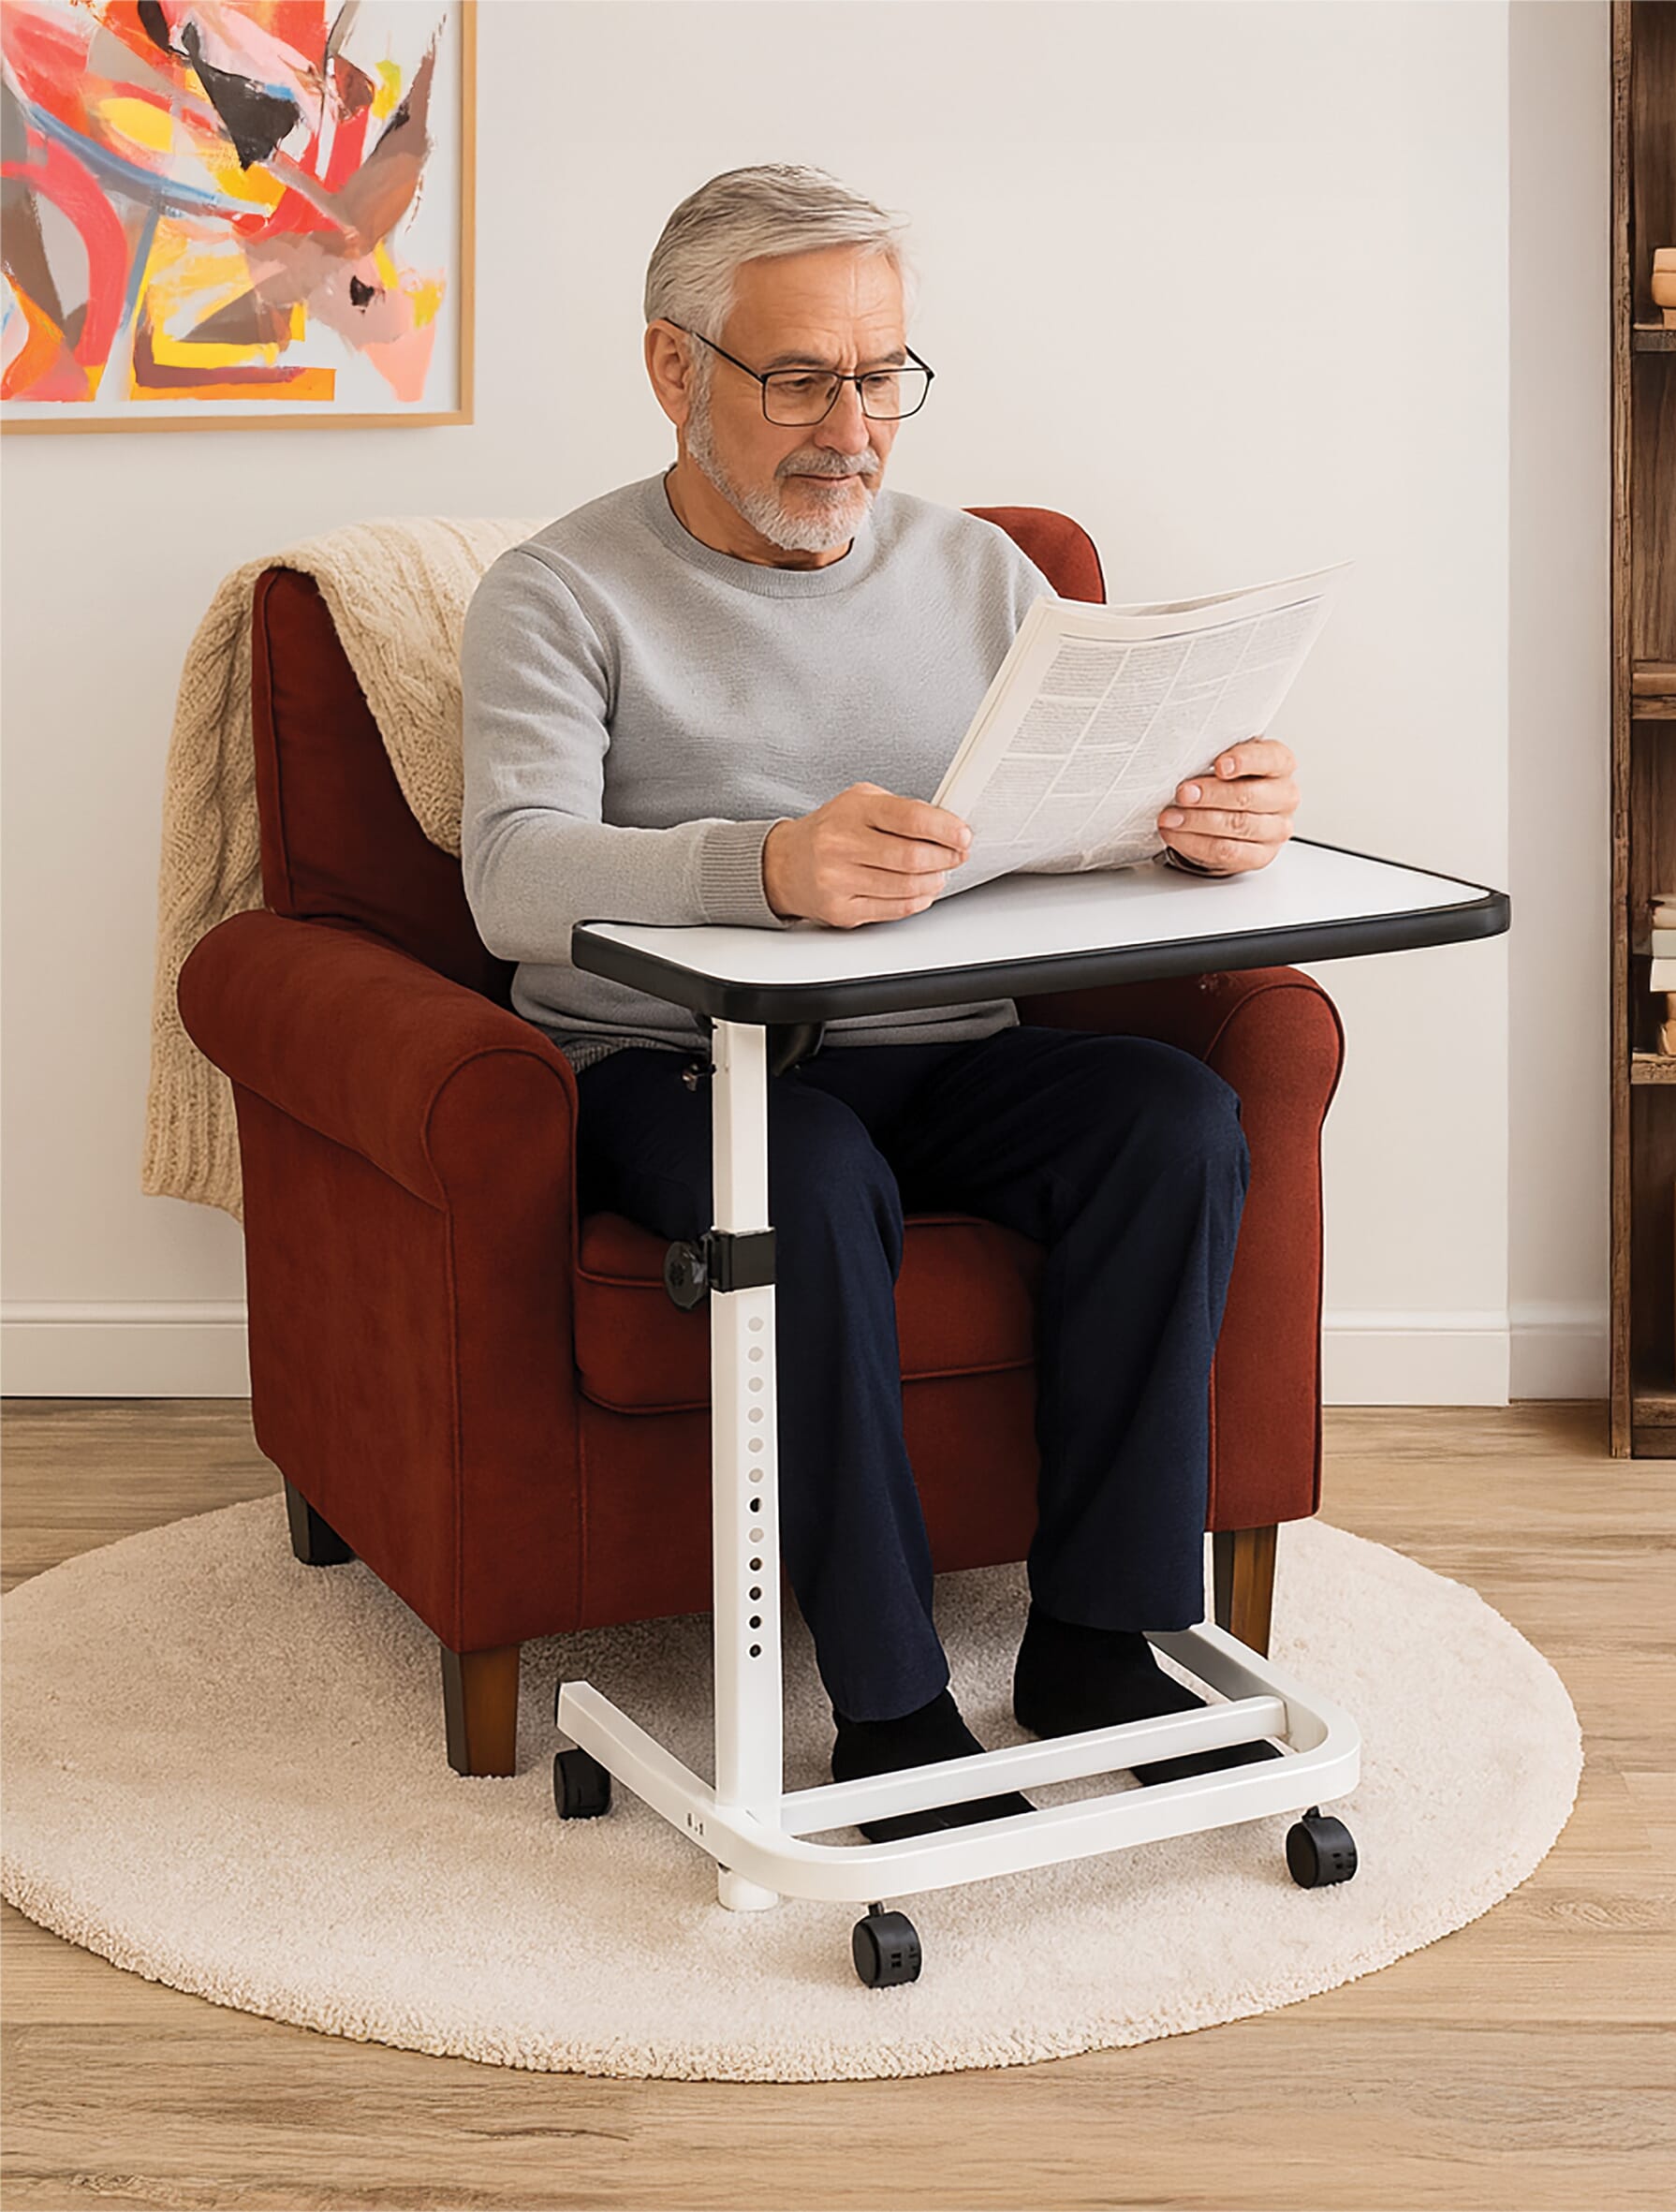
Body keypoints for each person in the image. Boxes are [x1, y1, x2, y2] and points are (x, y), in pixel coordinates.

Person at [459, 164, 1302, 1841]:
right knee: (808, 1175)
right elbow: (511, 875)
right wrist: (763, 865)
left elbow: (1073, 810)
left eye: (881, 376)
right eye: (798, 380)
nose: (850, 432)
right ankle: (891, 1703)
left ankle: (1097, 1641)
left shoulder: (985, 574)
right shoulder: (558, 593)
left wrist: (1208, 824)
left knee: (1173, 1119)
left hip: (943, 1046)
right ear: (673, 368)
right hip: (677, 1067)